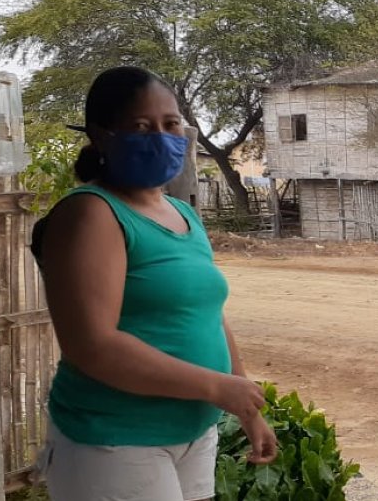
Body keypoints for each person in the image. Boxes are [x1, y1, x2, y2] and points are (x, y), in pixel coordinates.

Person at [30, 66, 277, 501]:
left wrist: (244, 406)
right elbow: (93, 346)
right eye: (141, 127)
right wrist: (216, 387)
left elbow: (209, 316)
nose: (161, 136)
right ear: (101, 136)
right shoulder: (91, 213)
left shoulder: (183, 214)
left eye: (170, 124)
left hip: (193, 434)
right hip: (115, 440)